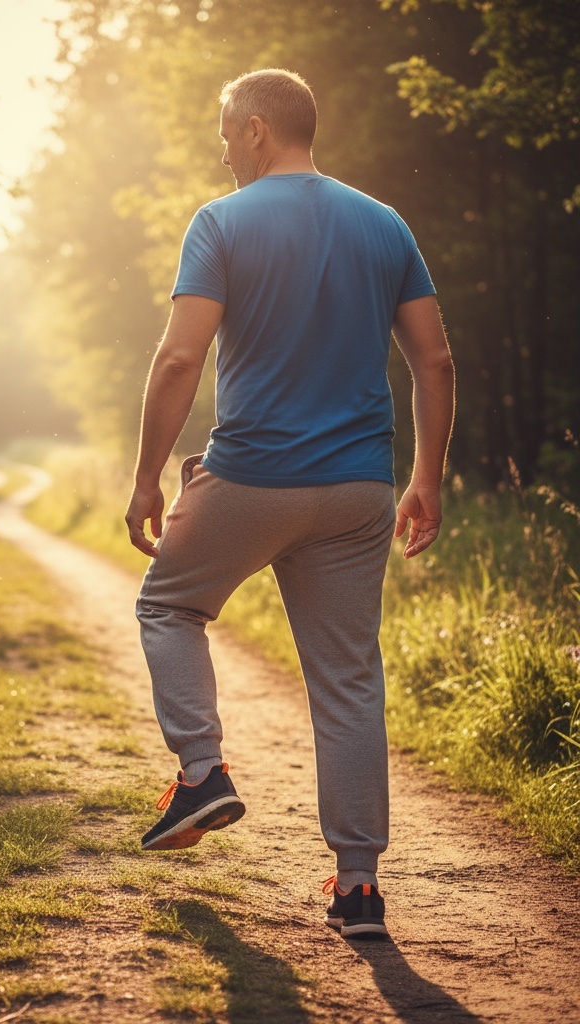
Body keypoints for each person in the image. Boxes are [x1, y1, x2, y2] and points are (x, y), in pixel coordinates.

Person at [124, 68, 455, 939]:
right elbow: (435, 361)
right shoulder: (385, 224)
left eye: (226, 132)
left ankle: (201, 774)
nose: (221, 148)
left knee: (169, 604)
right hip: (358, 490)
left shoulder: (221, 222)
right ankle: (357, 888)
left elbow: (177, 362)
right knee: (348, 682)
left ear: (259, 130)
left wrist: (147, 475)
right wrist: (426, 477)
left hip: (252, 476)